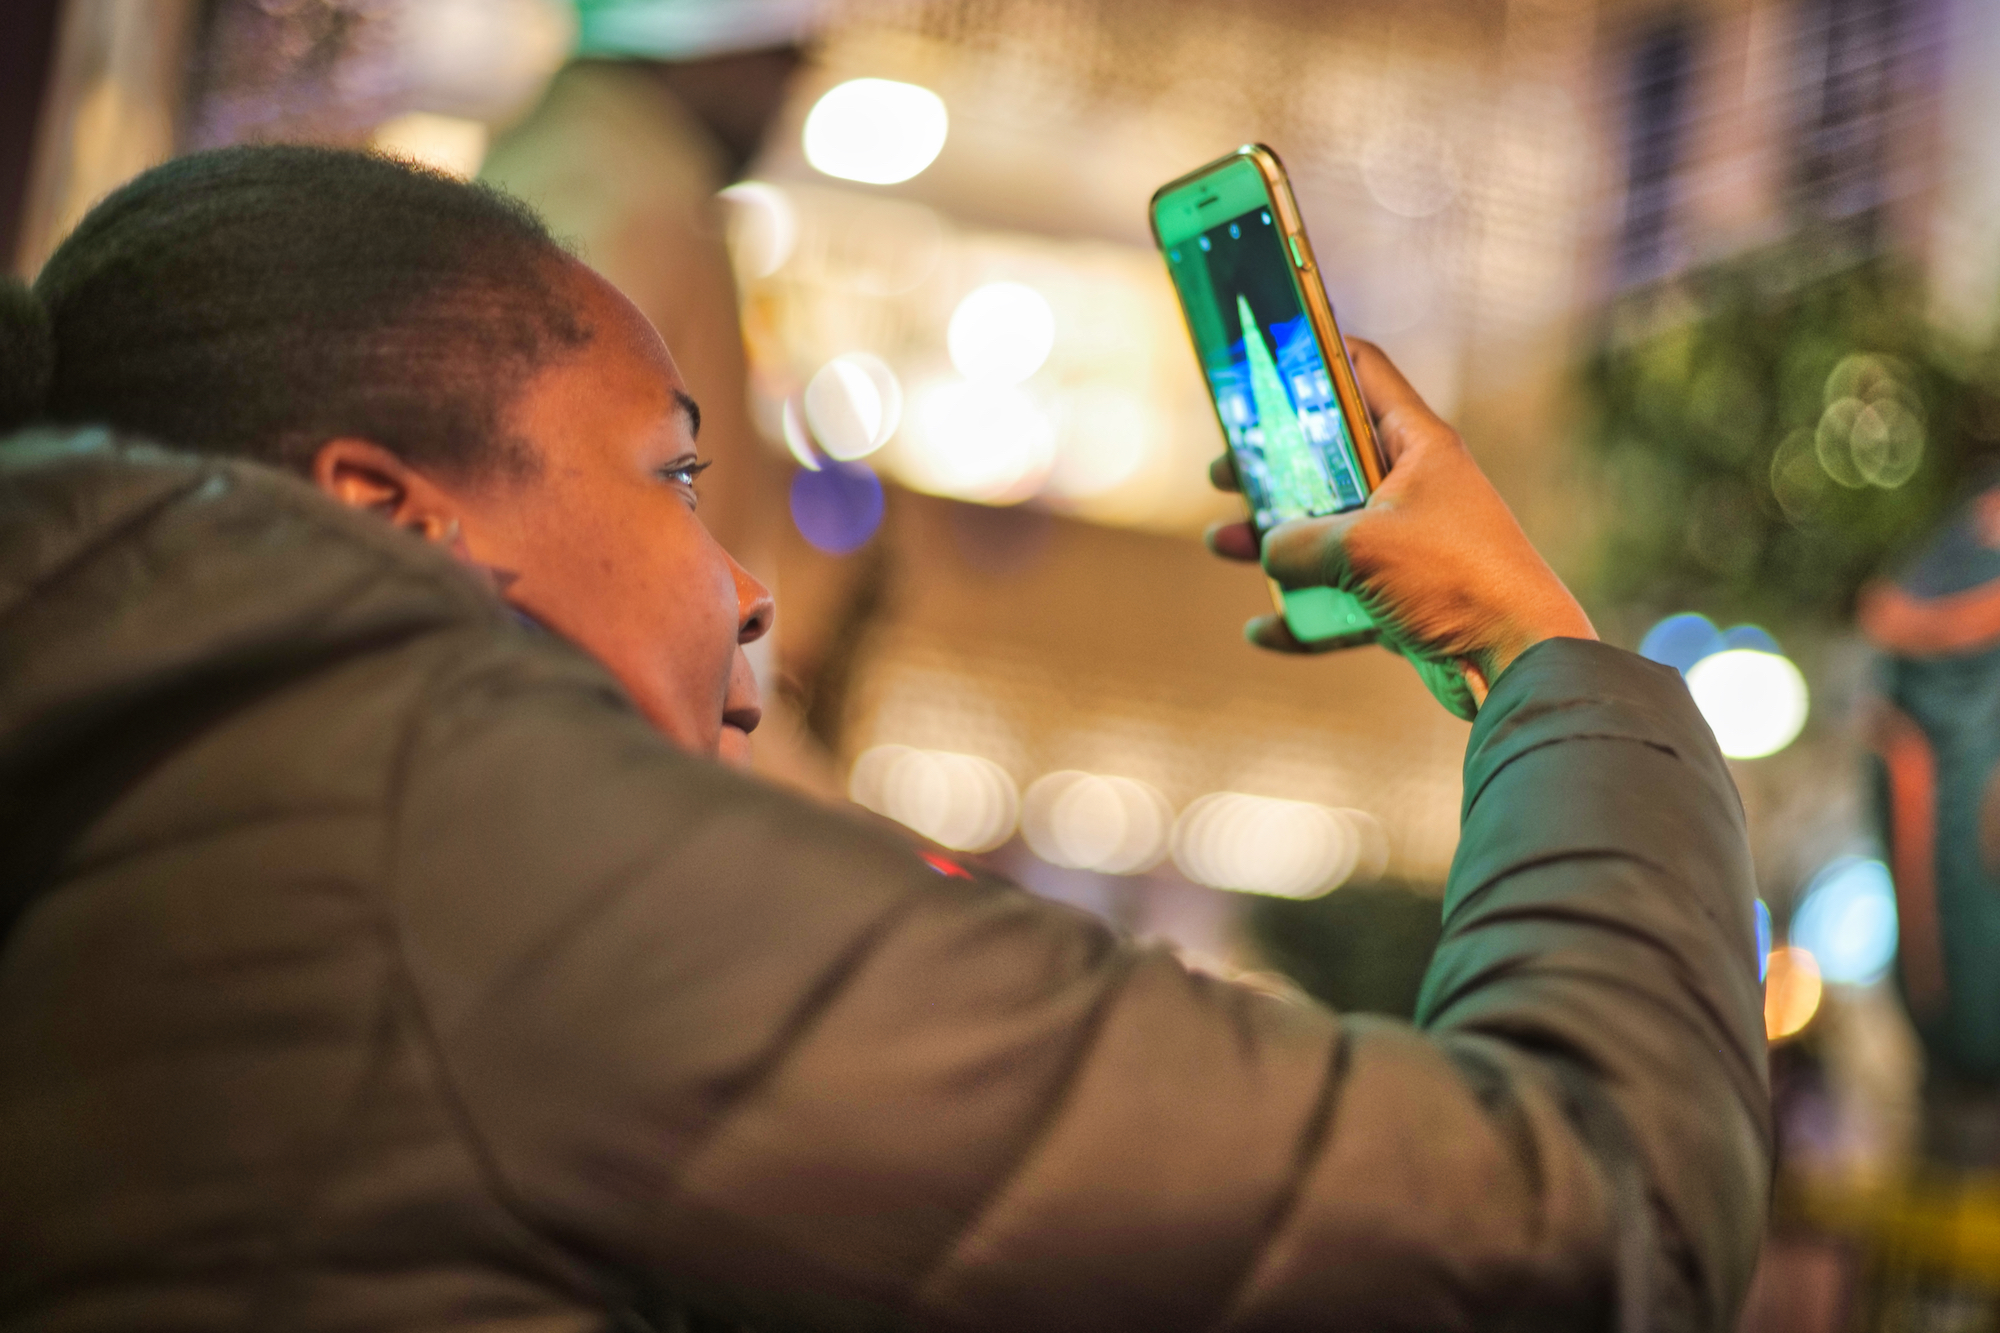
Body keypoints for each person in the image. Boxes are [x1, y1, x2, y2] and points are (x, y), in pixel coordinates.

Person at [0, 146, 1768, 1331]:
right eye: (676, 472)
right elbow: (1585, 1209)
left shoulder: (149, 809)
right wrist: (1545, 658)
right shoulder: (473, 863)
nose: (752, 582)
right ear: (398, 524)